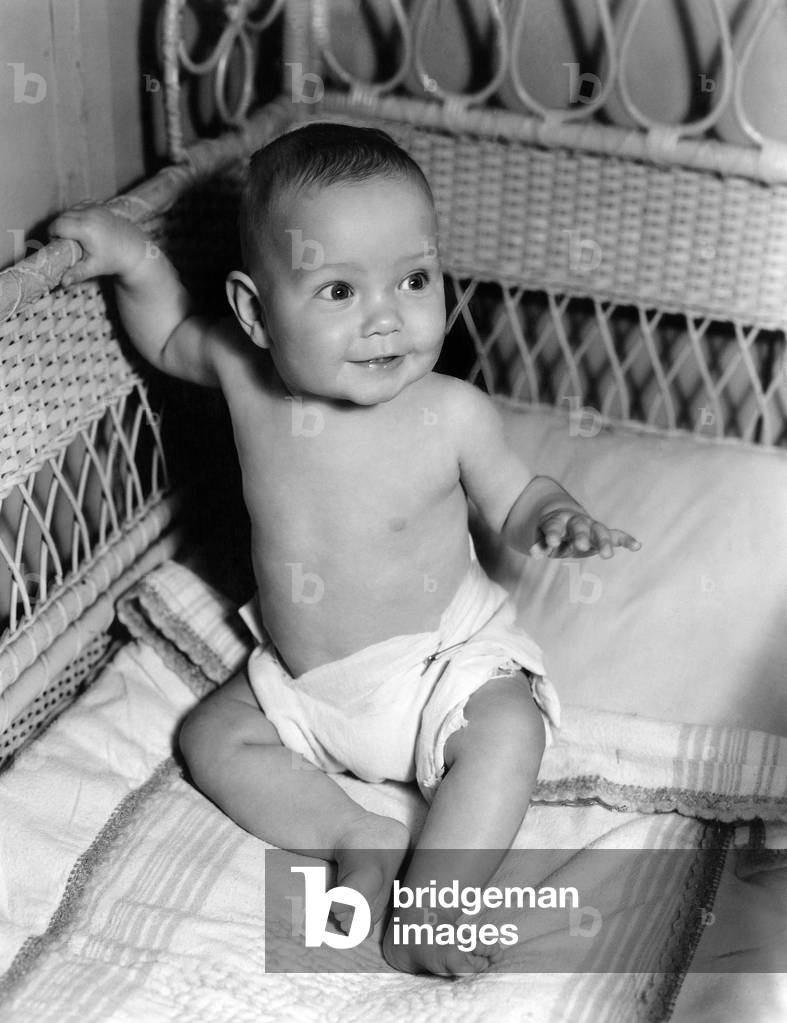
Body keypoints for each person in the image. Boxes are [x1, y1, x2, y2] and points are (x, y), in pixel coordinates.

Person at [50, 122, 639, 976]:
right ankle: (353, 830)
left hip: (438, 667)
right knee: (212, 739)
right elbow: (172, 332)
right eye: (337, 291)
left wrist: (554, 517)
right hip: (303, 681)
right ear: (255, 312)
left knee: (509, 731)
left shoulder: (451, 412)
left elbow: (517, 495)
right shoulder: (246, 376)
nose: (386, 318)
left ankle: (434, 906)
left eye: (413, 278)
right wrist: (134, 260)